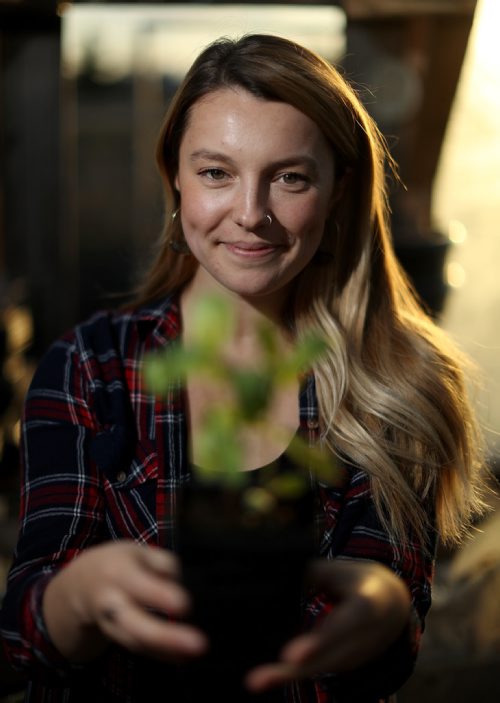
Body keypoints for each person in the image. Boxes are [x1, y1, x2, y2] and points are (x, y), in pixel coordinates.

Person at [0, 33, 487, 703]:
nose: (251, 215)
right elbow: (23, 642)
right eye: (216, 172)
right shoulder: (91, 368)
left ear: (339, 191)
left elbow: (380, 654)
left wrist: (383, 607)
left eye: (290, 176)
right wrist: (78, 595)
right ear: (173, 173)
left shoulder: (399, 383)